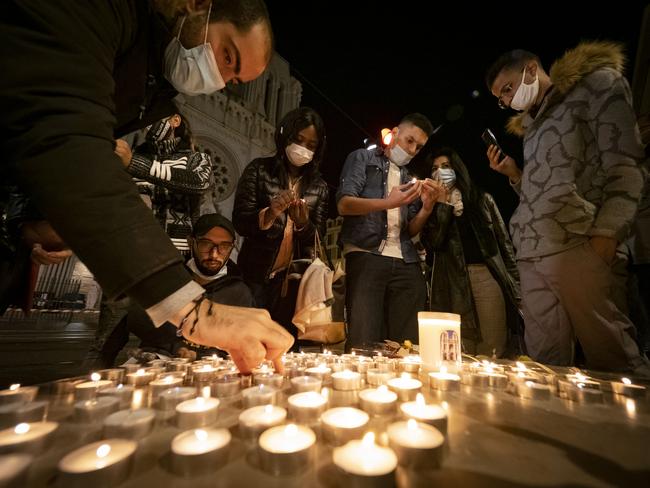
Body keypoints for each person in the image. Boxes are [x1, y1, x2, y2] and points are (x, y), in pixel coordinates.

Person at [0, 0, 293, 372]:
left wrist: (42, 217)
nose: (218, 81)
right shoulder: (105, 16)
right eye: (226, 55)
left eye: (233, 81)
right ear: (197, 6)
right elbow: (64, 132)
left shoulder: (151, 82)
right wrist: (193, 311)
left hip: (124, 248)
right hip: (141, 256)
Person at [484, 42, 650, 375]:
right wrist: (515, 175)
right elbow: (544, 189)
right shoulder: (531, 128)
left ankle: (632, 426)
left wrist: (607, 233)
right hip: (533, 252)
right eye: (501, 98)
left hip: (578, 243)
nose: (505, 101)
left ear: (531, 68)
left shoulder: (596, 85)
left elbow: (625, 163)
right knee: (545, 366)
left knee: (613, 358)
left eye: (507, 89)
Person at [336, 113, 439, 350]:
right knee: (364, 339)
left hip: (406, 259)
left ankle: (402, 384)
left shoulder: (410, 177)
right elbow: (344, 204)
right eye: (409, 141)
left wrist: (427, 207)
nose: (413, 150)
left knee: (407, 342)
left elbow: (411, 230)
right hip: (366, 252)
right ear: (394, 133)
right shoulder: (362, 157)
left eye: (419, 147)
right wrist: (387, 203)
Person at [95, 213, 255, 366]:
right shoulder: (169, 281)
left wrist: (198, 355)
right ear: (191, 242)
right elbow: (129, 325)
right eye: (206, 244)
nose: (214, 254)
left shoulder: (240, 292)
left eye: (224, 247)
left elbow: (238, 345)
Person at [233, 107, 329, 342]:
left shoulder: (319, 186)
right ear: (285, 136)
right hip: (255, 274)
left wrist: (303, 224)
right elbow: (240, 221)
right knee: (248, 342)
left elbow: (319, 236)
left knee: (284, 346)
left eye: (311, 145)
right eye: (298, 140)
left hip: (293, 283)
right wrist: (270, 212)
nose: (303, 149)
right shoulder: (259, 169)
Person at [420, 147, 522, 358]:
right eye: (435, 169)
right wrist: (442, 205)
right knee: (458, 349)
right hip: (451, 282)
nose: (441, 172)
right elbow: (434, 243)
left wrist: (516, 286)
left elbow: (504, 245)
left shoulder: (482, 199)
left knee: (492, 346)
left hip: (486, 277)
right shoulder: (430, 208)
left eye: (446, 167)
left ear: (457, 169)